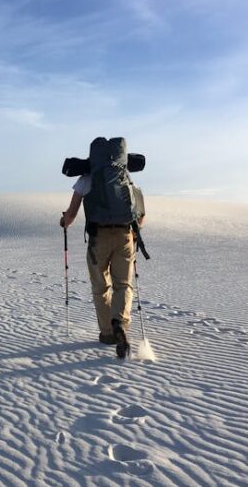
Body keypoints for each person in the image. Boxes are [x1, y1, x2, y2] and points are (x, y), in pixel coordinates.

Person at [59, 137, 145, 358]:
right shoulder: (124, 174)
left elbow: (71, 214)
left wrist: (64, 221)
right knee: (123, 284)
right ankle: (119, 323)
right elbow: (140, 214)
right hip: (125, 235)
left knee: (100, 286)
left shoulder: (86, 178)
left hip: (99, 238)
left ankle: (107, 332)